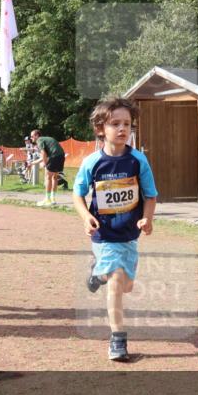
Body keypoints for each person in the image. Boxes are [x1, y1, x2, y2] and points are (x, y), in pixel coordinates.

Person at [73, 97, 158, 361]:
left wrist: (147, 219)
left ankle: (96, 274)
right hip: (104, 234)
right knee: (117, 281)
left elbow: (151, 195)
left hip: (129, 234)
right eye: (115, 124)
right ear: (101, 129)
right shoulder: (92, 163)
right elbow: (77, 194)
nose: (122, 129)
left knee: (127, 285)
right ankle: (118, 339)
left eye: (127, 124)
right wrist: (86, 217)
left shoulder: (138, 161)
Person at [31, 129, 66, 206]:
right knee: (54, 177)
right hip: (61, 156)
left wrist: (45, 163)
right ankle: (53, 199)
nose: (31, 138)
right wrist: (32, 163)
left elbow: (43, 154)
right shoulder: (46, 139)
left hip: (54, 156)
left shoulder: (39, 140)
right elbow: (44, 156)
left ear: (37, 135)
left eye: (32, 136)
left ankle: (47, 199)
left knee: (48, 177)